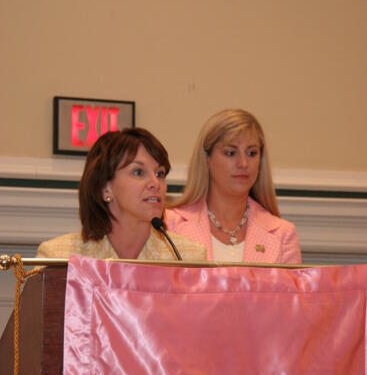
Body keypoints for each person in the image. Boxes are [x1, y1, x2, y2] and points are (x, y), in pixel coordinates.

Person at [37, 128, 206, 262]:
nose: (156, 183)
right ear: (105, 188)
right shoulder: (59, 257)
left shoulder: (188, 258)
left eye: (160, 173)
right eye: (139, 172)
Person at [165, 109, 302, 264]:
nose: (243, 163)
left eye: (252, 153)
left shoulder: (282, 234)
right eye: (230, 153)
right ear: (207, 159)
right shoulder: (170, 225)